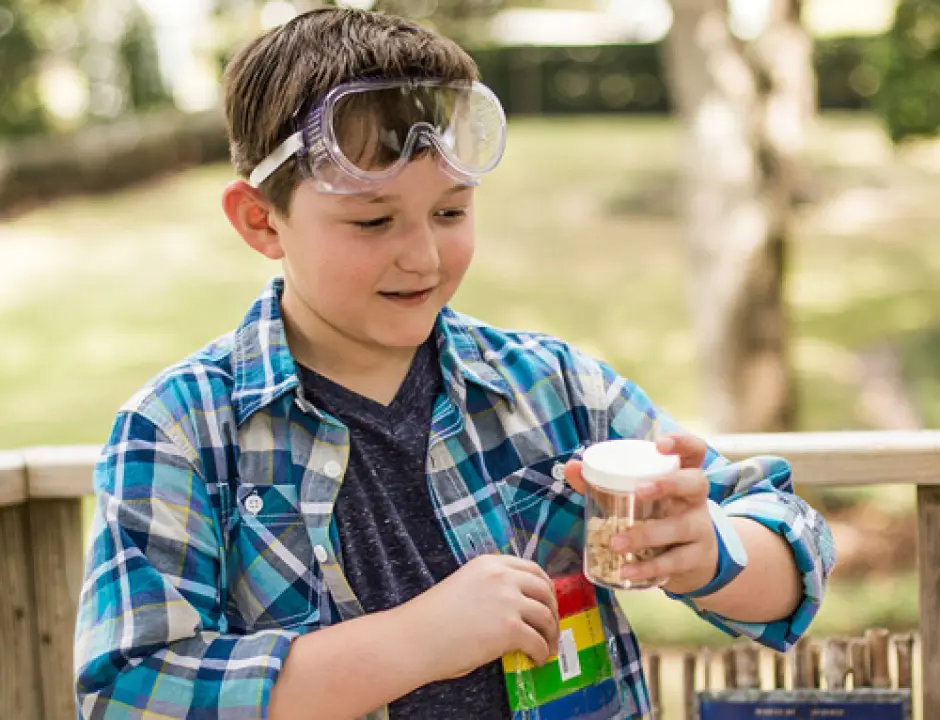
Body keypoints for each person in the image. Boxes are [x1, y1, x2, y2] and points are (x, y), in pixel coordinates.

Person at [74, 8, 836, 720]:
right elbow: (129, 691)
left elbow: (791, 544)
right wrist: (412, 643)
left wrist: (712, 552)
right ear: (260, 220)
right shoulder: (179, 430)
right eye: (373, 220)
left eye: (451, 211)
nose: (423, 256)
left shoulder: (553, 389)